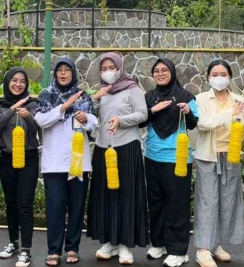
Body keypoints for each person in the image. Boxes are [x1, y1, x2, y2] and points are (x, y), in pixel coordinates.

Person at [34, 58, 99, 266]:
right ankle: (54, 250)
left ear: (73, 73)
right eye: (59, 70)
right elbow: (40, 120)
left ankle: (72, 248)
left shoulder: (84, 96)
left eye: (67, 70)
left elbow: (94, 123)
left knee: (76, 207)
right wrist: (65, 107)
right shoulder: (46, 95)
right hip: (54, 163)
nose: (63, 74)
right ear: (55, 74)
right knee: (55, 207)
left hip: (79, 162)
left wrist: (85, 118)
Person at [87, 52, 149, 265]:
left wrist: (121, 120)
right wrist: (94, 98)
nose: (107, 72)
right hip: (104, 148)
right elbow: (91, 117)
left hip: (127, 147)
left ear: (120, 68)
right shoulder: (102, 92)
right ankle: (108, 242)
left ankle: (124, 245)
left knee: (126, 195)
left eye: (111, 67)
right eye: (103, 68)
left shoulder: (132, 88)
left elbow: (143, 114)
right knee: (105, 194)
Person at [142, 58, 198, 267]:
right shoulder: (149, 97)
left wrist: (187, 111)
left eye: (164, 70)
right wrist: (153, 109)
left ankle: (179, 250)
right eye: (156, 71)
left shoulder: (186, 96)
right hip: (152, 156)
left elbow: (193, 124)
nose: (160, 73)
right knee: (155, 202)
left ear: (172, 72)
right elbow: (141, 119)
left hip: (178, 158)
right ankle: (159, 243)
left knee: (177, 205)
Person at [192, 59, 244, 267]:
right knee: (207, 200)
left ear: (230, 76)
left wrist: (237, 115)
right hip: (208, 155)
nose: (219, 78)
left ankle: (217, 244)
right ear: (208, 77)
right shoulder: (201, 98)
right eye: (215, 74)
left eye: (223, 74)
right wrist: (228, 114)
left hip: (230, 155)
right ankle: (203, 249)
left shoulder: (239, 99)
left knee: (227, 201)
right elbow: (202, 123)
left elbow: (243, 126)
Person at [0, 67, 41, 267]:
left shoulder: (34, 104)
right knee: (10, 203)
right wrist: (13, 109)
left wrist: (27, 114)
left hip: (28, 158)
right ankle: (13, 242)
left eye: (22, 81)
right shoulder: (0, 105)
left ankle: (26, 250)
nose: (18, 84)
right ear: (7, 82)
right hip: (7, 159)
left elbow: (36, 129)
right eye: (14, 80)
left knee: (25, 204)